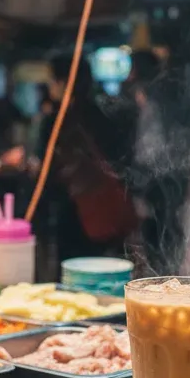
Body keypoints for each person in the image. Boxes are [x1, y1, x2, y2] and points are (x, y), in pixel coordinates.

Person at [36, 54, 134, 261]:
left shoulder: (59, 121)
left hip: (75, 210)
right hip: (97, 209)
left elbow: (50, 167)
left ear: (65, 82)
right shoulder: (99, 113)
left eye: (53, 80)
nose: (49, 86)